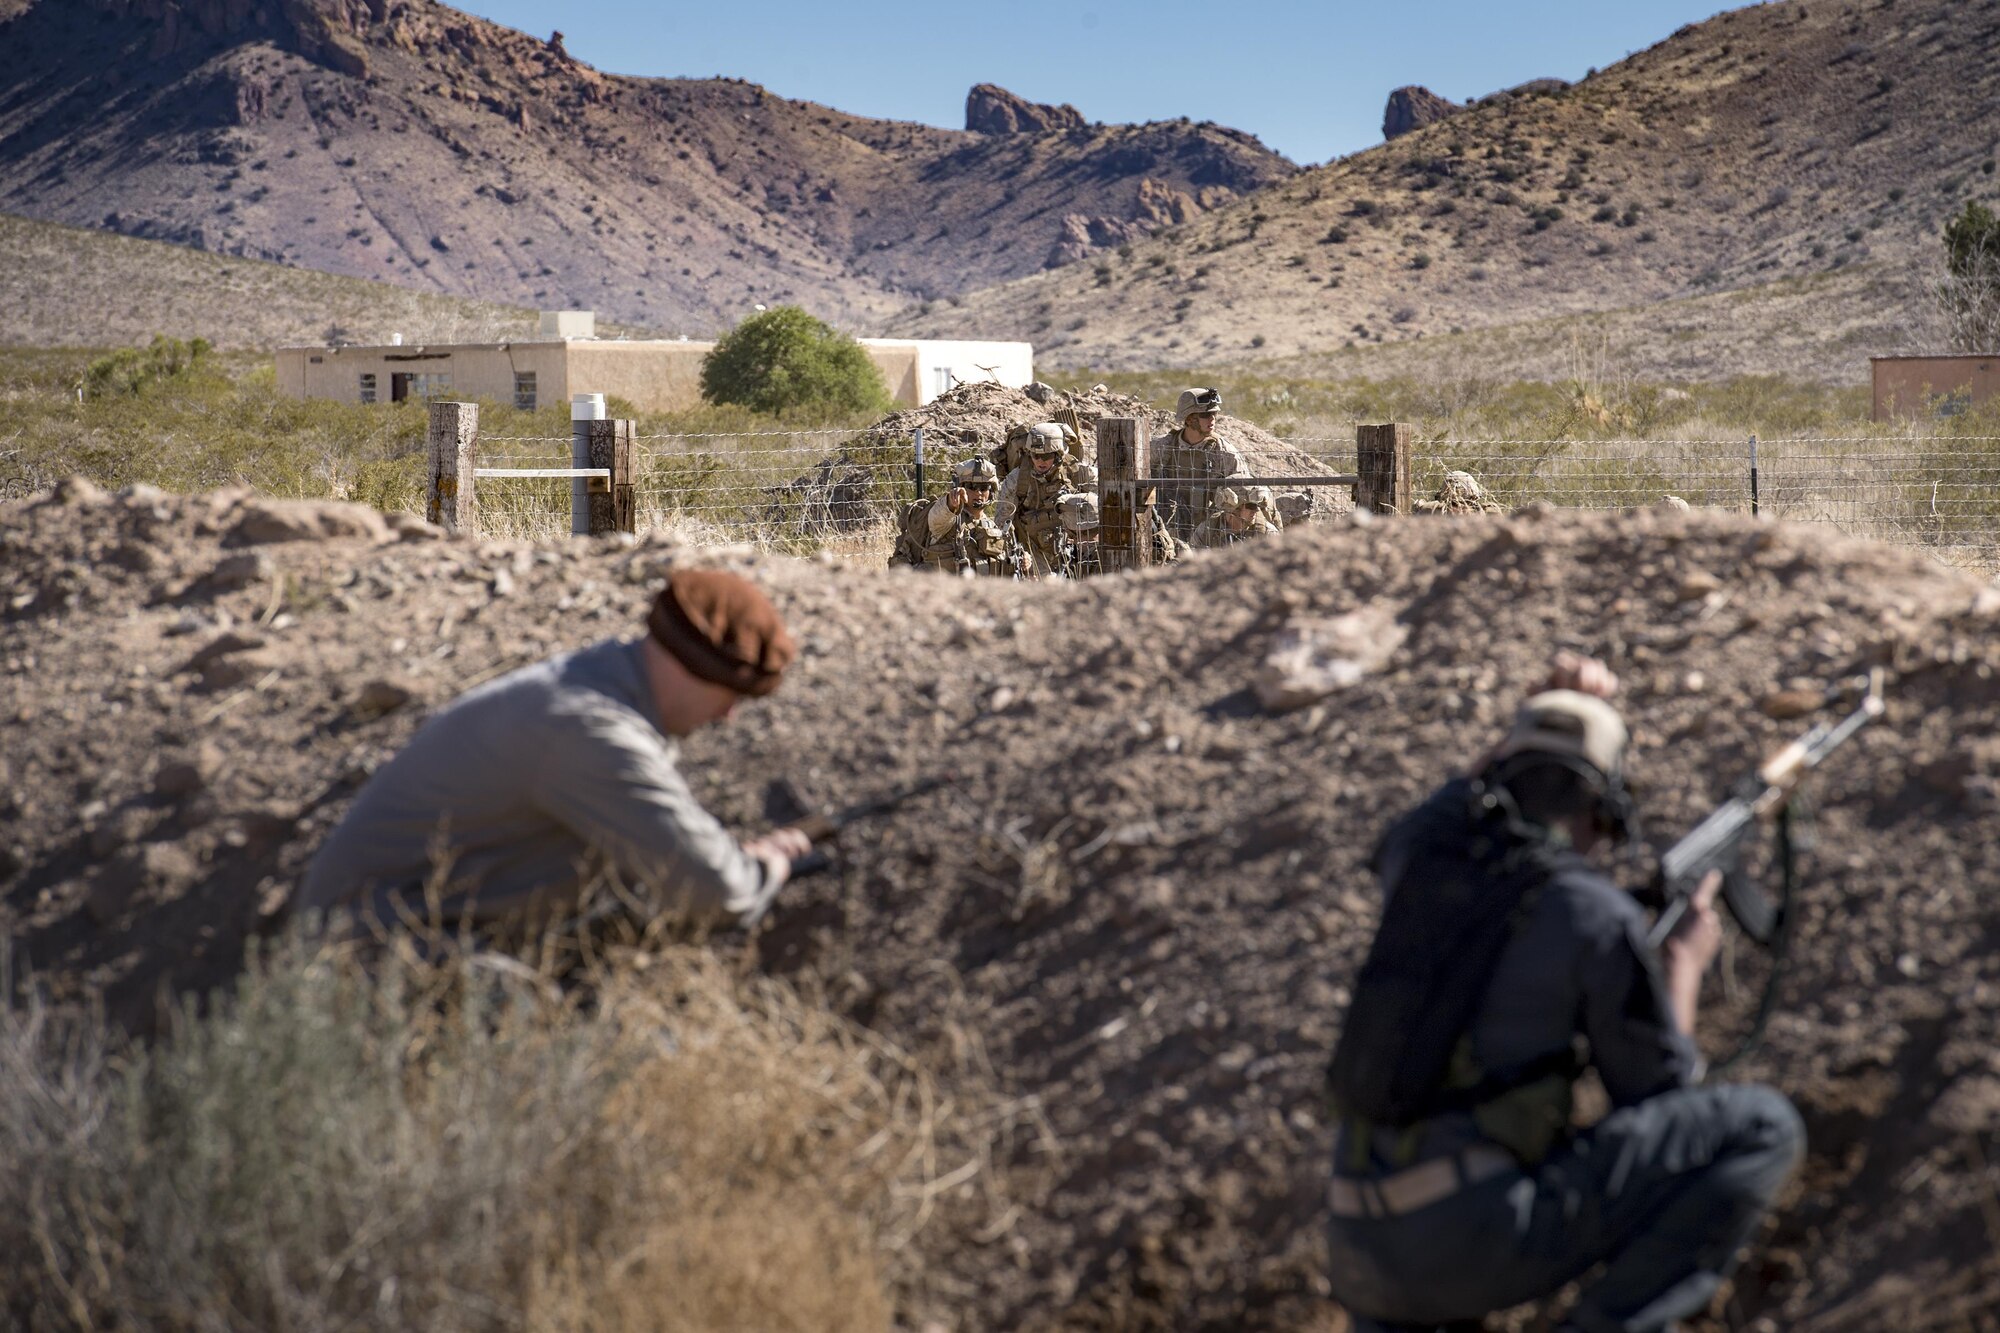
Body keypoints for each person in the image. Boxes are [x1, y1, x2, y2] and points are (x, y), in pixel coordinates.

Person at [1323, 653, 1805, 1333]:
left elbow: (1453, 800)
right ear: (1599, 810)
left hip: (1356, 1248)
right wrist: (1683, 965)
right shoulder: (1590, 912)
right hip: (1469, 1241)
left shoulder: (1415, 859)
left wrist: (1540, 711)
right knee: (1761, 1126)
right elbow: (1661, 1100)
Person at [299, 568, 813, 937]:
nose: (728, 717)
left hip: (391, 934)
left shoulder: (590, 682)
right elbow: (716, 892)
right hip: (363, 960)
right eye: (732, 697)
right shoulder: (591, 732)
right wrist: (767, 864)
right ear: (693, 670)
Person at [1151, 387, 1252, 544]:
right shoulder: (1163, 447)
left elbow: (1245, 493)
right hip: (1165, 525)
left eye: (1214, 414)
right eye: (1205, 415)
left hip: (1210, 531)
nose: (1212, 419)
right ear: (1189, 419)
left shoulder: (1224, 453)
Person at [995, 422, 1096, 577]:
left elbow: (1103, 498)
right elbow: (1002, 521)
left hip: (1072, 545)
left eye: (1047, 456)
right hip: (1032, 548)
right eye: (1036, 456)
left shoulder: (1075, 471)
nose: (1040, 462)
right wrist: (1017, 555)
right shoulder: (1017, 479)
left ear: (1058, 454)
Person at [891, 456, 1014, 576]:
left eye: (983, 487)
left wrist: (1025, 560)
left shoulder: (991, 526)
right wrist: (951, 502)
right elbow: (937, 516)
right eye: (971, 487)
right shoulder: (949, 519)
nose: (978, 492)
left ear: (991, 491)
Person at [1191, 484, 1280, 549]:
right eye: (1251, 506)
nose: (1256, 510)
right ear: (1234, 509)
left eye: (1257, 506)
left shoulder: (1267, 533)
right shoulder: (1207, 530)